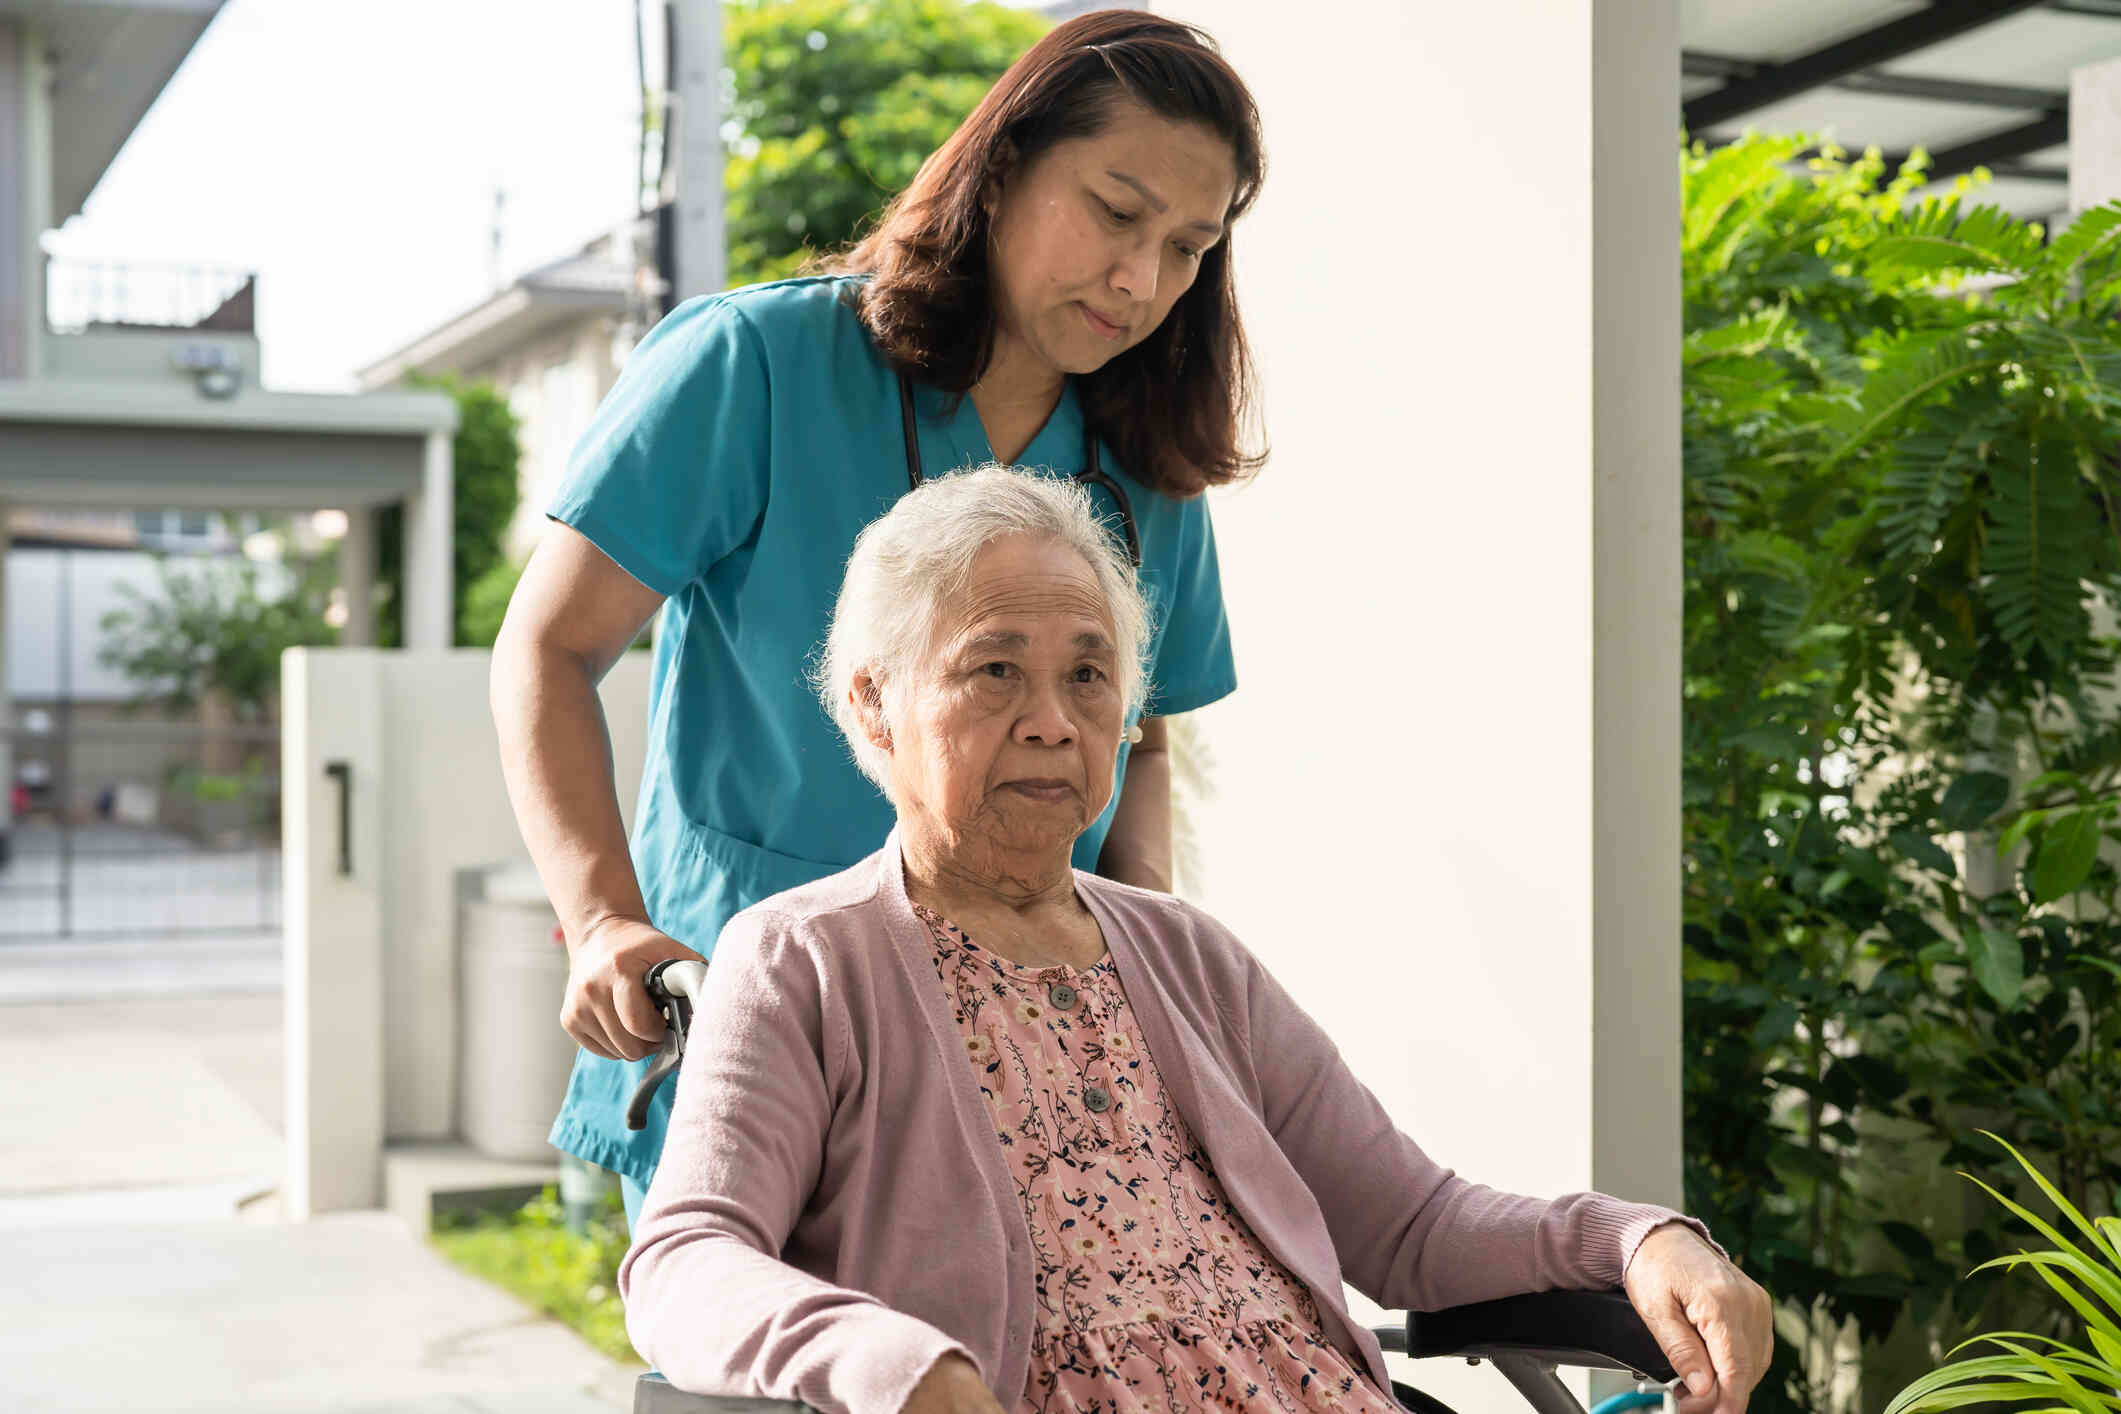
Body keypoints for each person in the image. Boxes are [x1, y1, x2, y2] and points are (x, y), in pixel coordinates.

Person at [621, 468, 1774, 1414]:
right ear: (873, 702)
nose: (1051, 719)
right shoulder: (806, 957)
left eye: (1088, 675)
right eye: (995, 669)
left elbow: (1417, 1224)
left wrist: (1640, 1240)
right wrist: (896, 1366)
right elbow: (684, 1259)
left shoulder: (1185, 955)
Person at [490, 10, 1265, 1221]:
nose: (1141, 279)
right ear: (1000, 167)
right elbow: (549, 648)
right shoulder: (755, 365)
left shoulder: (1145, 463)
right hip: (745, 1008)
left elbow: (1141, 734)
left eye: (1187, 247)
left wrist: (1140, 946)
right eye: (1117, 212)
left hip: (1031, 1037)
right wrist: (599, 919)